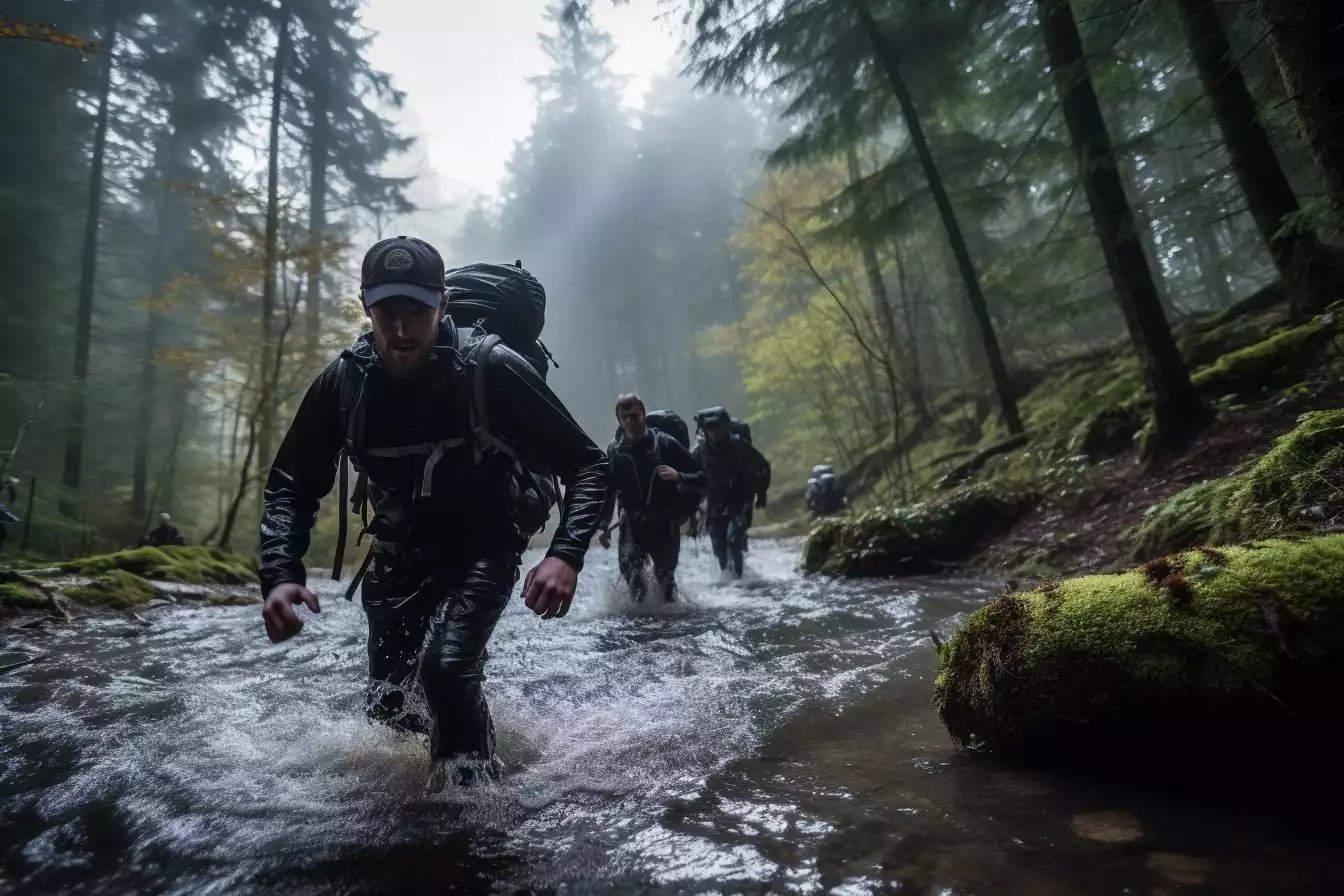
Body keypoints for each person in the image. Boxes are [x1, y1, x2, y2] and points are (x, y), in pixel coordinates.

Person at [258, 236, 607, 788]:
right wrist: (280, 574)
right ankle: (433, 801)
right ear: (366, 308)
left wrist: (565, 555)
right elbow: (292, 480)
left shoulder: (491, 368)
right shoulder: (344, 382)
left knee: (444, 670)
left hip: (484, 543)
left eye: (416, 311)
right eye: (388, 312)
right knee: (391, 711)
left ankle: (472, 816)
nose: (401, 330)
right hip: (398, 553)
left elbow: (590, 466)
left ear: (442, 305)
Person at [596, 394, 703, 602]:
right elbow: (609, 490)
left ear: (643, 415)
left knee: (666, 584)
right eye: (625, 417)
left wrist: (678, 476)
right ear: (618, 420)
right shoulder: (615, 451)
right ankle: (641, 626)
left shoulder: (666, 444)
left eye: (634, 416)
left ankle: (671, 625)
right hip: (631, 525)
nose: (630, 422)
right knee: (632, 575)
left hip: (665, 524)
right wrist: (604, 524)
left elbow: (702, 477)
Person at [693, 407, 771, 579]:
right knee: (720, 550)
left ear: (726, 427)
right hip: (714, 506)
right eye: (710, 429)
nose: (715, 432)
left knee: (734, 539)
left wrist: (762, 492)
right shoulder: (700, 452)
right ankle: (729, 582)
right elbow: (690, 477)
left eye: (718, 427)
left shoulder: (739, 446)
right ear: (705, 430)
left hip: (740, 502)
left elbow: (763, 466)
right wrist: (692, 508)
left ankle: (740, 580)